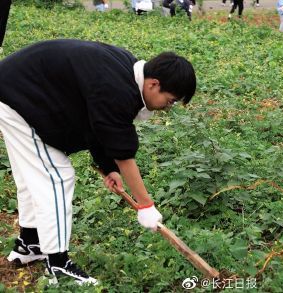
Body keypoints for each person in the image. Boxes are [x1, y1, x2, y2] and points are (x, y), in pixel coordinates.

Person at [1, 39, 196, 285]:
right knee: (57, 177)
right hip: (17, 98)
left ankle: (30, 243)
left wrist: (108, 169)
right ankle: (58, 265)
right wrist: (145, 205)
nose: (168, 108)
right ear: (153, 84)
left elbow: (98, 123)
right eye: (170, 101)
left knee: (34, 175)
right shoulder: (116, 87)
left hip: (16, 91)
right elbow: (123, 151)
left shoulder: (126, 71)